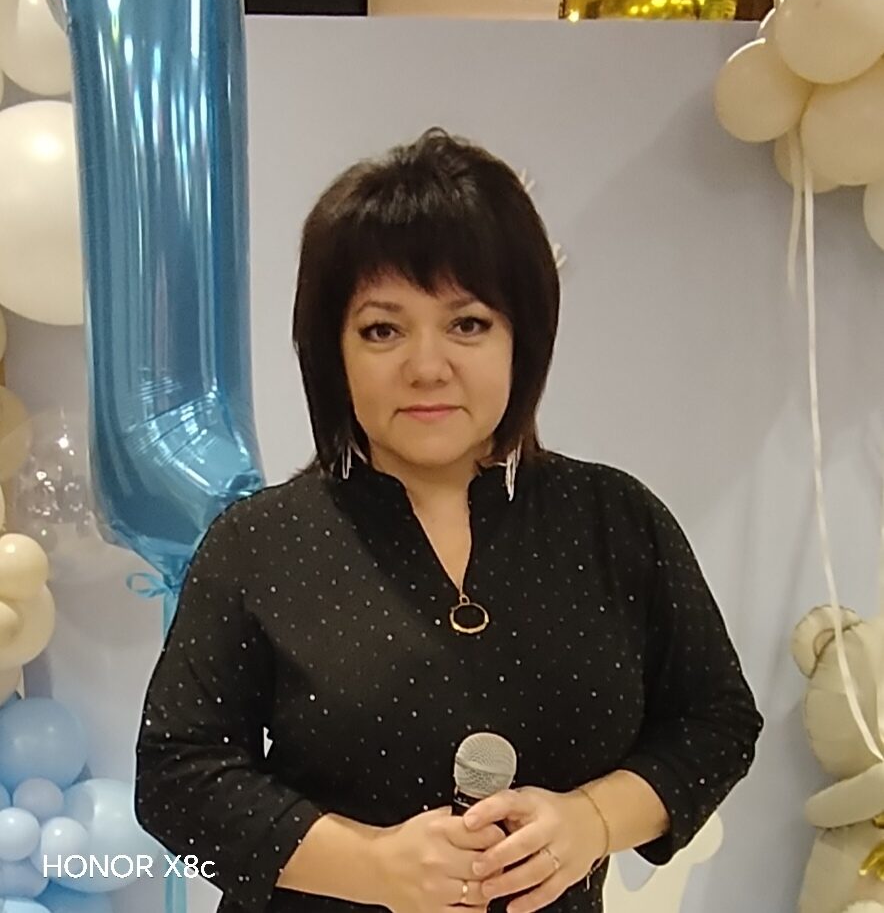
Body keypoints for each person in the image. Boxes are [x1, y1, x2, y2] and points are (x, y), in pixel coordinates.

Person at [134, 127, 764, 913]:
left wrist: (592, 821)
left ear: (522, 338)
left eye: (468, 324)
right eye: (382, 329)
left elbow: (714, 721)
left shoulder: (617, 520)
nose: (427, 367)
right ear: (332, 352)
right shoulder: (258, 543)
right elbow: (177, 775)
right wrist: (371, 866)